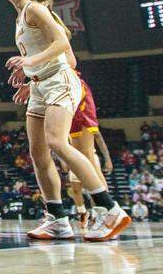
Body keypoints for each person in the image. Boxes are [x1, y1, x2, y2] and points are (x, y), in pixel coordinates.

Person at [5, 0, 129, 241]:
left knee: (58, 143)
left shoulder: (34, 9)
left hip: (59, 82)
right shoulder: (19, 19)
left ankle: (110, 208)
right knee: (38, 153)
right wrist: (32, 77)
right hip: (40, 85)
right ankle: (57, 219)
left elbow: (63, 45)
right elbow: (69, 59)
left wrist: (29, 62)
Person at [67, 75, 112, 228]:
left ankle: (104, 210)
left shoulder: (86, 117)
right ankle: (83, 213)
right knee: (75, 189)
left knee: (93, 185)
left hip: (89, 155)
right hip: (74, 157)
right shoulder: (67, 123)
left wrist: (108, 160)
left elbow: (101, 143)